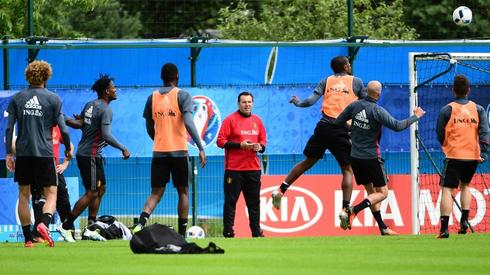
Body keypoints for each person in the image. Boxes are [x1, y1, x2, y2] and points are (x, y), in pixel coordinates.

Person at [271, 56, 364, 218]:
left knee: (308, 162)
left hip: (324, 126)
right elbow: (366, 104)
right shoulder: (356, 82)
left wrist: (297, 103)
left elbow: (310, 101)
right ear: (345, 66)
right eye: (348, 64)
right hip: (342, 128)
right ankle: (345, 209)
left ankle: (280, 190)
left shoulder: (326, 81)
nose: (350, 66)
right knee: (347, 170)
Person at [336, 81, 425, 233]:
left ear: (365, 91)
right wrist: (415, 116)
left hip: (355, 157)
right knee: (382, 193)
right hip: (371, 157)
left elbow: (338, 122)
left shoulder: (354, 106)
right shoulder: (377, 110)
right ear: (378, 94)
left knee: (372, 194)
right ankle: (353, 211)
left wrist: (354, 128)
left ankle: (382, 228)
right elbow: (397, 126)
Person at [5, 60, 72, 247]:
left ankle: (28, 239)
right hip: (44, 153)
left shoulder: (17, 98)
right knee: (51, 193)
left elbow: (9, 128)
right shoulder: (53, 99)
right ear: (46, 76)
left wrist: (9, 154)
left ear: (28, 76)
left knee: (24, 195)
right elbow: (64, 130)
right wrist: (67, 149)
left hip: (24, 154)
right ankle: (44, 223)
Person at [133, 63, 206, 236]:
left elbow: (149, 127)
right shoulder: (182, 95)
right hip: (179, 152)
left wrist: (159, 139)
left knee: (156, 193)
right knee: (183, 192)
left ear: (162, 78)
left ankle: (140, 224)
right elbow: (188, 122)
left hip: (159, 152)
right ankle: (181, 234)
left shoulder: (152, 98)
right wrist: (200, 147)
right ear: (177, 76)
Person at [59, 74, 130, 242]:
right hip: (89, 155)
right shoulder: (106, 109)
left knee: (101, 188)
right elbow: (106, 135)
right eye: (113, 87)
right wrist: (123, 148)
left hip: (93, 155)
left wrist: (67, 120)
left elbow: (80, 124)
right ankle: (66, 225)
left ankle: (91, 226)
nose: (115, 90)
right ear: (106, 91)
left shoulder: (90, 105)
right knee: (91, 192)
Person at [435, 75, 488, 238]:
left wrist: (446, 145)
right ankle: (464, 221)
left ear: (453, 90)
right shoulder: (478, 109)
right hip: (472, 156)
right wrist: (484, 152)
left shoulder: (447, 109)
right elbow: (485, 132)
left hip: (454, 154)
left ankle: (444, 229)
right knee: (465, 186)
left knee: (447, 188)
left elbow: (439, 132)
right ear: (469, 90)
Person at [217, 91, 267, 238]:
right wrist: (240, 145)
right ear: (238, 104)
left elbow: (263, 141)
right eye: (244, 102)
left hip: (253, 169)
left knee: (254, 203)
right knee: (230, 202)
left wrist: (260, 147)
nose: (247, 105)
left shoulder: (257, 121)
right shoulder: (230, 120)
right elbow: (220, 141)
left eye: (249, 102)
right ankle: (228, 232)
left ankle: (256, 233)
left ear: (253, 103)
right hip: (234, 170)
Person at [30, 126, 75, 243]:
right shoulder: (37, 126)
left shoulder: (58, 128)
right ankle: (37, 234)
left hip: (55, 169)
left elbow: (70, 146)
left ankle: (68, 230)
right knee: (39, 200)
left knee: (63, 200)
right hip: (38, 169)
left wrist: (65, 164)